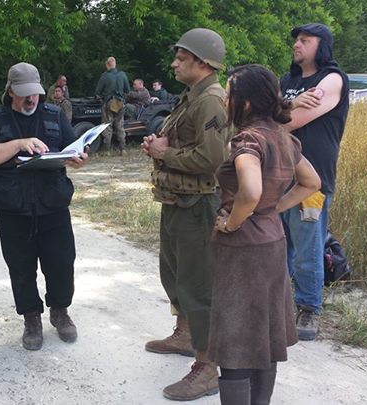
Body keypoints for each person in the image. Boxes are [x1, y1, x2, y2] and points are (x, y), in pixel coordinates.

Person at [208, 64, 321, 405]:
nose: (225, 99)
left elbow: (252, 189)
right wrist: (273, 210)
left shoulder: (249, 139)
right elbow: (312, 183)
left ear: (243, 104)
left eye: (229, 93)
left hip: (242, 247)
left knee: (235, 337)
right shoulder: (283, 137)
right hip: (272, 240)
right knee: (263, 332)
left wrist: (234, 221)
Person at [141, 28, 229, 401]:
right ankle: (186, 335)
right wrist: (158, 145)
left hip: (198, 206)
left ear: (203, 63)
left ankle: (208, 368)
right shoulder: (189, 97)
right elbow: (179, 141)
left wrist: (164, 154)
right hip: (177, 201)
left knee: (198, 286)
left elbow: (212, 159)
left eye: (182, 58)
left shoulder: (210, 100)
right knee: (175, 275)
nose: (175, 63)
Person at [0, 62, 88, 351]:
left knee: (62, 262)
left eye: (35, 93)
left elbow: (71, 146)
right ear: (10, 91)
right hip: (14, 208)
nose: (31, 99)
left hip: (52, 204)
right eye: (24, 94)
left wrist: (77, 156)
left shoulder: (53, 114)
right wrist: (19, 144)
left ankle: (60, 312)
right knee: (21, 268)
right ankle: (31, 319)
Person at [279, 23, 350, 341]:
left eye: (304, 40)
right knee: (279, 245)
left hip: (313, 180)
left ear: (321, 46)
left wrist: (280, 113)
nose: (297, 44)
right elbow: (271, 117)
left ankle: (308, 309)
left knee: (308, 246)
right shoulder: (288, 81)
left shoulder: (332, 79)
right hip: (278, 173)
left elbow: (291, 122)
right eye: (296, 39)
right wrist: (290, 104)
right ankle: (278, 304)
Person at [95, 57, 130, 154]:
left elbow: (98, 92)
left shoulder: (105, 76)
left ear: (107, 65)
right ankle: (123, 149)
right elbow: (127, 90)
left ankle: (107, 150)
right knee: (120, 125)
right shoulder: (123, 75)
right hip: (120, 103)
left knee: (107, 126)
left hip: (109, 103)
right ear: (115, 64)